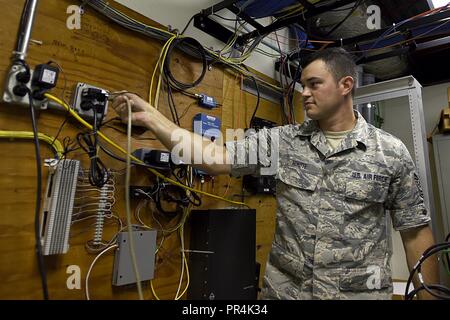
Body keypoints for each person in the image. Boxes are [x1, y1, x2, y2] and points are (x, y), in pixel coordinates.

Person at [112, 47, 438, 300]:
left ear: (345, 86)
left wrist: (428, 296)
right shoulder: (282, 142)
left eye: (314, 84)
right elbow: (212, 157)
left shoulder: (390, 152)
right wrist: (154, 118)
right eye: (303, 85)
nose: (304, 93)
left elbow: (416, 233)